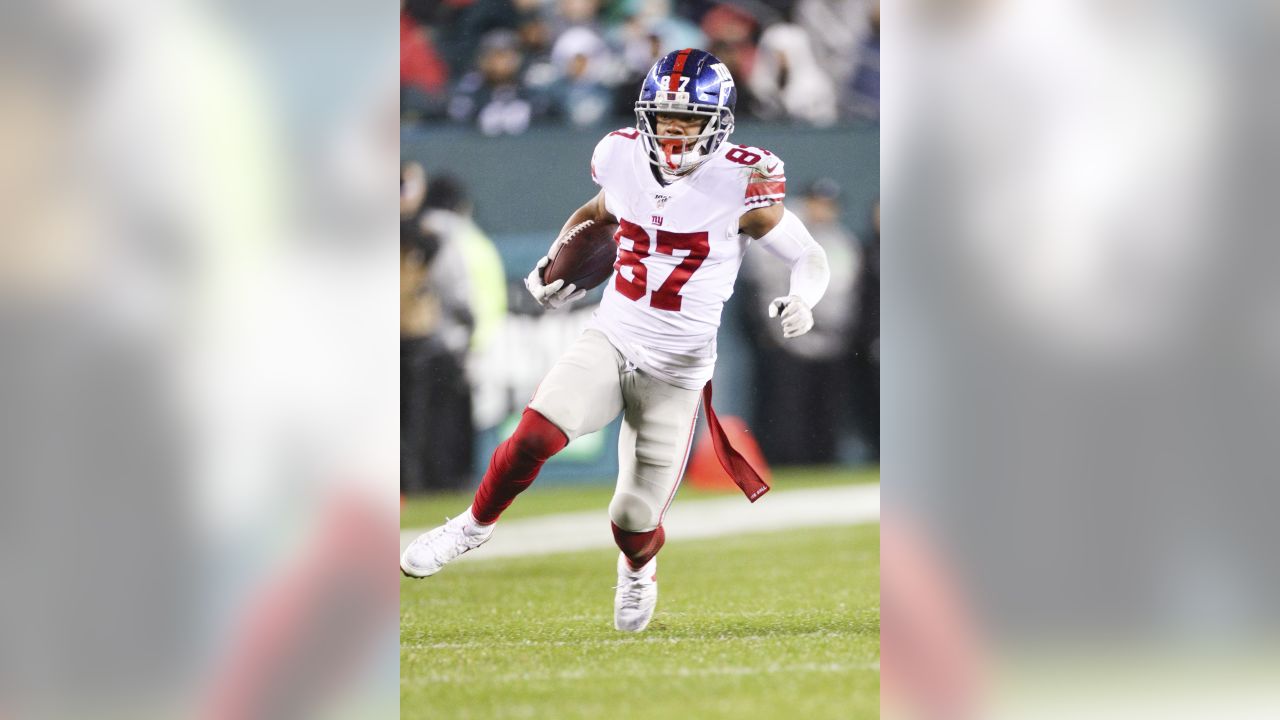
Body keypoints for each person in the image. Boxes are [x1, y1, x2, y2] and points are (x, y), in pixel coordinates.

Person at [401, 48, 831, 633]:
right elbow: (599, 212)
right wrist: (556, 264)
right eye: (664, 119)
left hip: (677, 373)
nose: (674, 134)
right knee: (535, 434)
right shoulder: (622, 155)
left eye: (689, 122)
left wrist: (803, 298)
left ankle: (636, 570)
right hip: (614, 335)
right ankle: (473, 526)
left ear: (719, 124)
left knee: (633, 518)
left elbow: (808, 253)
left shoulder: (743, 182)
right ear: (644, 115)